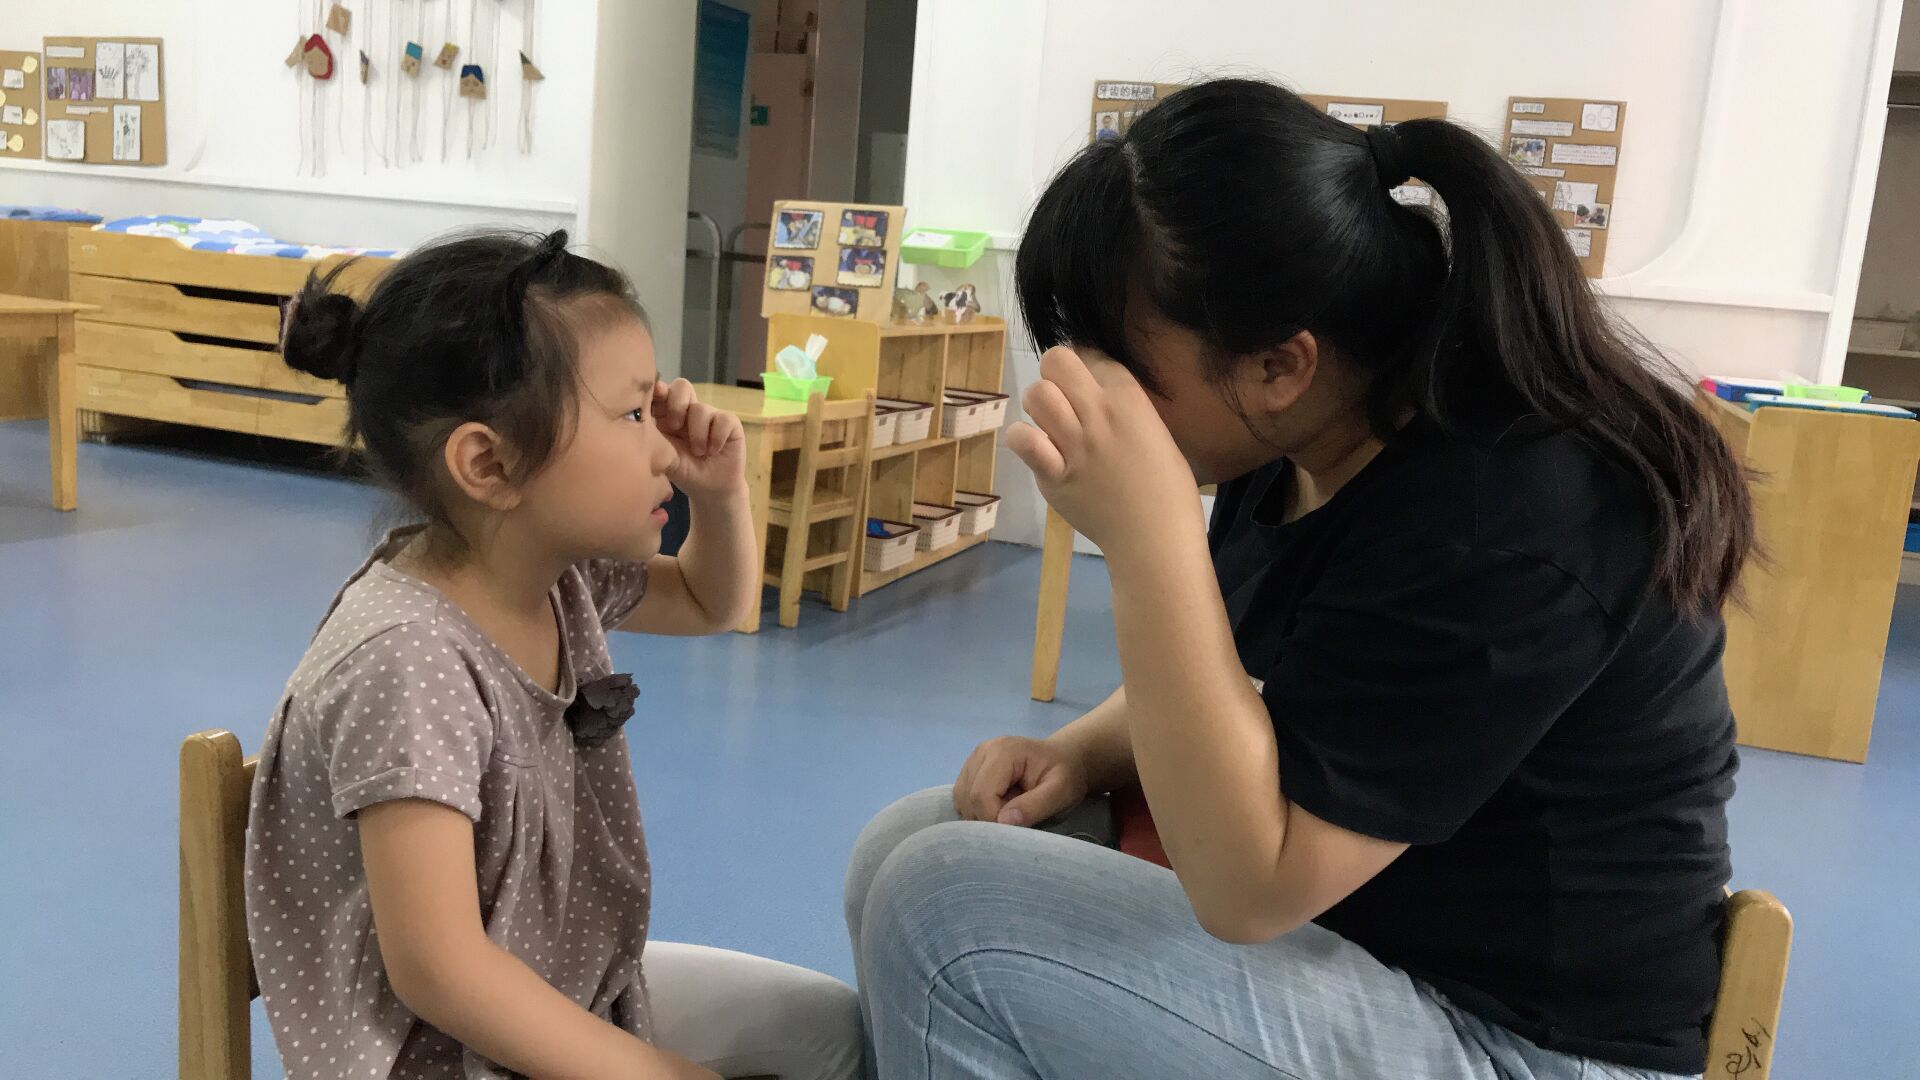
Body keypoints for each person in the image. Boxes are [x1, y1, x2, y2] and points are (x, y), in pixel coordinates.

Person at [846, 78, 1750, 1080]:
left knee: (943, 906)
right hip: (1375, 945)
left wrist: (1149, 536)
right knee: (907, 844)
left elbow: (1250, 890)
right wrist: (1078, 750)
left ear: (1281, 366)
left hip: (1520, 1042)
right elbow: (1245, 674)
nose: (1092, 391)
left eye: (1124, 366)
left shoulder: (1508, 515)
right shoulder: (1297, 440)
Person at [247, 230, 861, 1080]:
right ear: (490, 463)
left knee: (831, 1034)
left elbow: (707, 600)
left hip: (559, 977)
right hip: (439, 1055)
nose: (663, 446)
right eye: (633, 415)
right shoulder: (405, 660)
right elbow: (440, 971)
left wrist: (721, 493)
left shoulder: (554, 576)